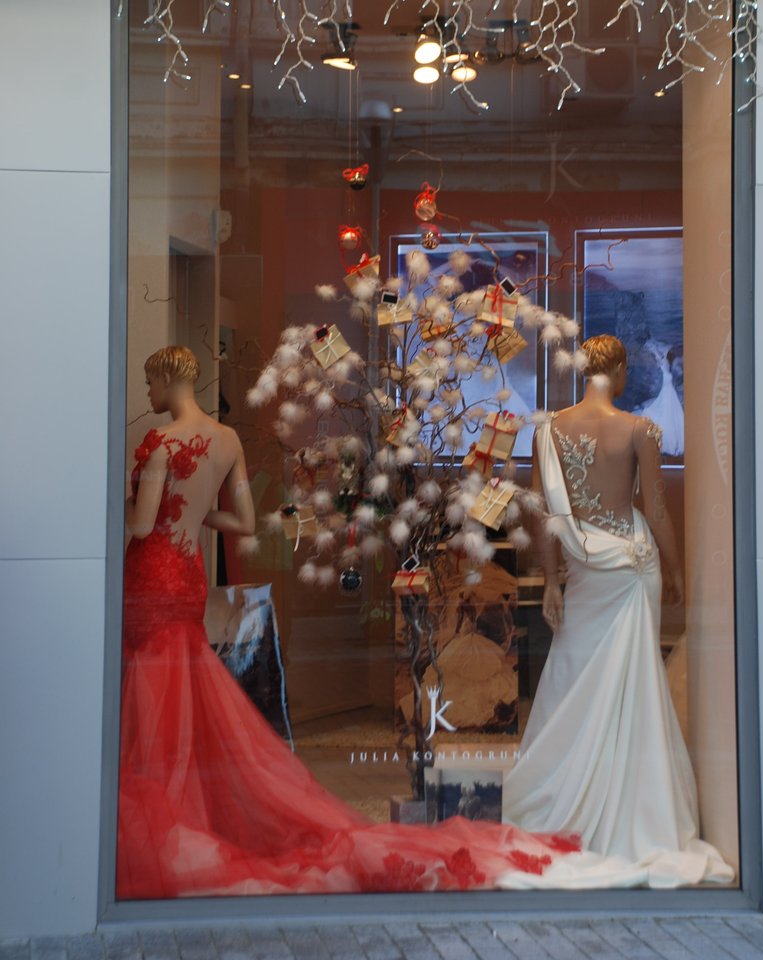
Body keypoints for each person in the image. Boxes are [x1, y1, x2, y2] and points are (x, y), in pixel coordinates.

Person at [118, 345, 589, 899]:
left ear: (166, 377)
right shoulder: (227, 440)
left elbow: (142, 525)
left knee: (154, 694)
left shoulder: (159, 443)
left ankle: (167, 817)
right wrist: (195, 512)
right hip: (187, 579)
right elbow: (242, 522)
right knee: (182, 691)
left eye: (149, 381)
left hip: (151, 580)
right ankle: (185, 813)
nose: (146, 393)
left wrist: (116, 502)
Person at [502, 335, 733, 888]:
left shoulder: (548, 431)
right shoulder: (639, 430)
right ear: (622, 370)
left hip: (583, 568)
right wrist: (675, 570)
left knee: (574, 675)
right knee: (633, 682)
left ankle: (561, 798)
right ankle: (639, 811)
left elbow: (542, 513)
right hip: (631, 565)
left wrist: (550, 580)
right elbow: (656, 508)